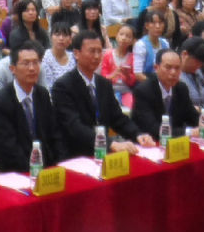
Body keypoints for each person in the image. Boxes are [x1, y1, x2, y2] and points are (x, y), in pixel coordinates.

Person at [52, 30, 155, 158]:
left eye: (99, 51)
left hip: (104, 153)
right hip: (77, 155)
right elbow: (74, 127)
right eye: (91, 51)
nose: (96, 56)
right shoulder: (63, 86)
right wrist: (111, 143)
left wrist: (138, 134)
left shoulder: (103, 84)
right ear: (77, 53)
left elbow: (117, 118)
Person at [0, 42, 59, 174]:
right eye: (26, 63)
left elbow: (52, 135)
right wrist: (34, 172)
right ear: (13, 69)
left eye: (36, 63)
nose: (32, 68)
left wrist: (54, 167)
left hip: (44, 171)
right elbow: (8, 149)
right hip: (15, 173)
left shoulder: (42, 94)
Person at [131, 49, 200, 138]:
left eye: (177, 68)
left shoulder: (181, 88)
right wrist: (189, 132)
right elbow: (153, 129)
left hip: (176, 142)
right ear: (156, 68)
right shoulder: (143, 91)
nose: (173, 72)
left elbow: (193, 117)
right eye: (168, 67)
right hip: (149, 144)